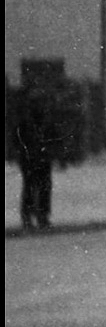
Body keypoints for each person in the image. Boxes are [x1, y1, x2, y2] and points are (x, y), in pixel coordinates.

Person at [11, 70, 58, 231]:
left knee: (38, 186)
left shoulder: (34, 118)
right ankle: (34, 217)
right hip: (33, 156)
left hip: (37, 156)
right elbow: (18, 137)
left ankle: (36, 216)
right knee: (35, 186)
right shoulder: (30, 119)